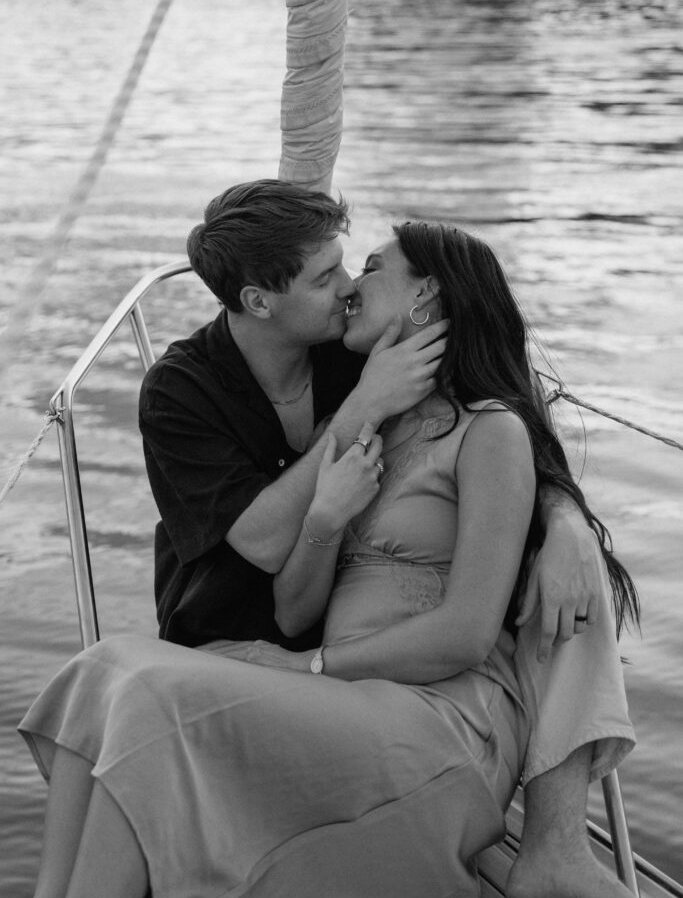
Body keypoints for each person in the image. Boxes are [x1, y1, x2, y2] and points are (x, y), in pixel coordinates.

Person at [19, 200, 638, 898]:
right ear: (258, 301)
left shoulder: (453, 413)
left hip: (418, 713)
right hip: (273, 661)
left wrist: (569, 523)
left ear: (428, 293)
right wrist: (324, 514)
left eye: (364, 267)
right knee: (99, 671)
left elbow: (469, 613)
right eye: (332, 274)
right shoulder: (223, 390)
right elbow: (274, 572)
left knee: (148, 700)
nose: (348, 285)